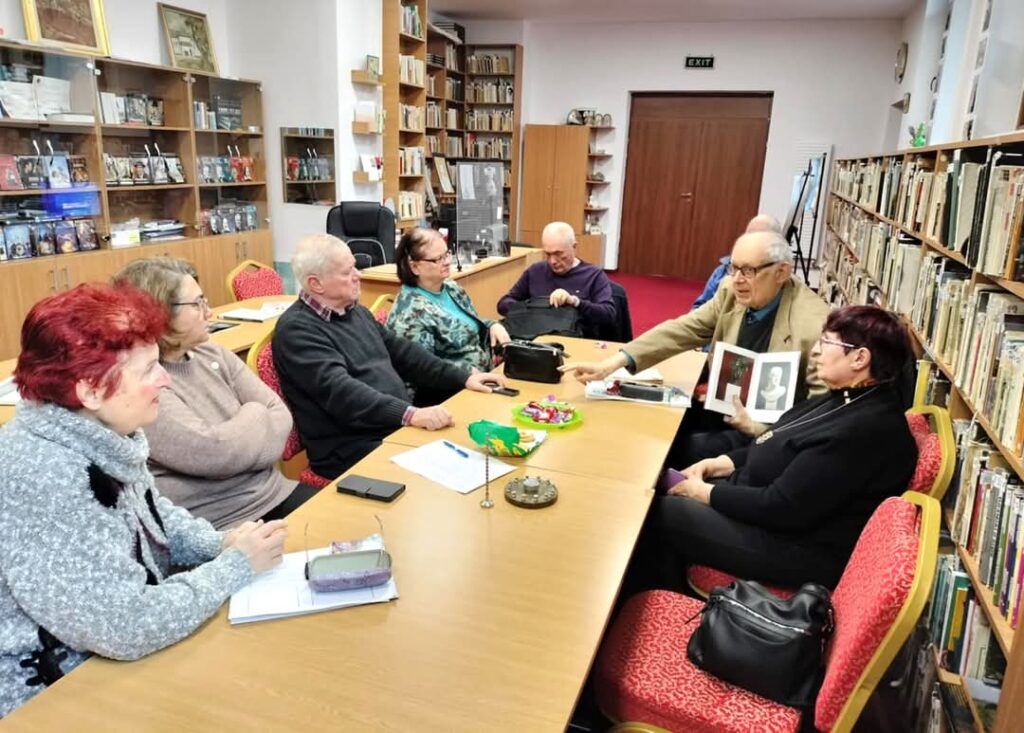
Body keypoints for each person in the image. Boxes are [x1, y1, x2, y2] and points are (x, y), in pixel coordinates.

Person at [0, 284, 287, 716]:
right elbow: (125, 625)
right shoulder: (45, 472)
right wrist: (234, 566)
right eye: (149, 369)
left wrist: (219, 545)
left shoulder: (99, 433)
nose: (165, 380)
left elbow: (154, 514)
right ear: (91, 391)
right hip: (51, 695)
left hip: (105, 660)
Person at [633, 305, 918, 591]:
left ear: (860, 358)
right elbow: (777, 440)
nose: (817, 351)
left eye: (827, 342)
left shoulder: (864, 431)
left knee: (661, 511)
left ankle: (655, 609)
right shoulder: (848, 395)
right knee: (659, 482)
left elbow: (781, 507)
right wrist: (719, 463)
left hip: (795, 548)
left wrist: (703, 492)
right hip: (767, 512)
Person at [562, 229, 831, 465]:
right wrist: (613, 362)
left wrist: (758, 428)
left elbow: (822, 412)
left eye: (748, 271)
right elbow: (682, 329)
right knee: (646, 424)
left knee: (668, 451)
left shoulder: (814, 326)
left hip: (768, 433)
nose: (736, 279)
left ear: (781, 272)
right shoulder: (730, 291)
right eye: (732, 268)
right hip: (725, 404)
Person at [273, 233, 506, 478]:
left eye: (355, 267)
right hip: (352, 449)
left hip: (392, 428)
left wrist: (463, 378)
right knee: (463, 474)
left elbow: (404, 354)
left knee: (480, 452)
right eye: (347, 272)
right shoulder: (297, 331)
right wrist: (411, 414)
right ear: (316, 284)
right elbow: (342, 393)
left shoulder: (355, 312)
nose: (358, 275)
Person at [114, 257, 316, 529]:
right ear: (159, 313)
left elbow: (280, 415)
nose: (209, 312)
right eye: (196, 304)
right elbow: (215, 453)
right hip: (220, 522)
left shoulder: (213, 352)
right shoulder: (147, 384)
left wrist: (240, 439)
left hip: (274, 493)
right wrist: (256, 414)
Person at [387, 227, 511, 373]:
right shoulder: (409, 314)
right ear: (415, 267)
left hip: (485, 376)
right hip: (453, 390)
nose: (447, 262)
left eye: (447, 254)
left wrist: (492, 326)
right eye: (438, 259)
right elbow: (422, 369)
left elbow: (469, 324)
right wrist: (467, 372)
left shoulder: (451, 288)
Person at [496, 221, 615, 337]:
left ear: (574, 247)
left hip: (575, 342)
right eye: (548, 254)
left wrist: (575, 302)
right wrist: (533, 307)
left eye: (559, 254)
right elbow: (503, 304)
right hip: (537, 342)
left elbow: (608, 315)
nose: (552, 261)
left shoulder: (593, 275)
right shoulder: (535, 271)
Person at [692, 214, 783, 310]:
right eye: (749, 235)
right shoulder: (723, 270)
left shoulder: (780, 279)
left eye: (759, 237)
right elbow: (699, 307)